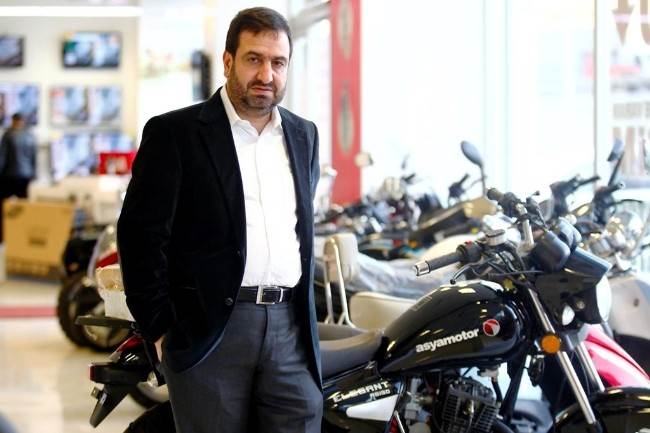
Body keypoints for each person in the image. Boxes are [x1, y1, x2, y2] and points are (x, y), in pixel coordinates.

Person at [117, 7, 322, 433]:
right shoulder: (176, 133)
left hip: (289, 328)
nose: (266, 74)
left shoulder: (304, 135)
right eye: (254, 59)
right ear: (228, 61)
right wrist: (160, 330)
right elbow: (140, 237)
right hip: (211, 331)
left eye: (278, 62)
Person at [0, 113, 37, 242]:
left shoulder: (8, 135)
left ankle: (4, 235)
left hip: (9, 175)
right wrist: (34, 174)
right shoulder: (30, 136)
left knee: (4, 206)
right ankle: (24, 233)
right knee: (24, 205)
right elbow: (34, 158)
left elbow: (2, 157)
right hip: (25, 175)